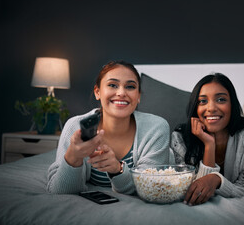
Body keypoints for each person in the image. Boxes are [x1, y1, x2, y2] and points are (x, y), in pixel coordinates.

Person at [47, 60, 170, 194]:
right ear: (97, 92)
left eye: (130, 87)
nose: (122, 93)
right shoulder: (75, 126)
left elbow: (150, 188)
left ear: (138, 96)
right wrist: (73, 157)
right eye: (112, 85)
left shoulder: (157, 128)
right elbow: (58, 191)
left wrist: (117, 169)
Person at [170, 73, 244, 206]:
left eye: (221, 100)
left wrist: (216, 180)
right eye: (202, 101)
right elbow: (195, 192)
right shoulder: (180, 138)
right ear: (195, 107)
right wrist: (209, 145)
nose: (211, 108)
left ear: (232, 104)